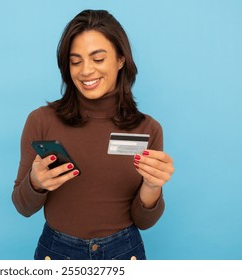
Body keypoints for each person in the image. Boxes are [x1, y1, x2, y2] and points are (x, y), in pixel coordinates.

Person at [12, 9, 174, 260]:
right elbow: (22, 207)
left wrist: (153, 186)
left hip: (124, 251)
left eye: (98, 59)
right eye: (75, 61)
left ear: (121, 59)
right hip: (57, 252)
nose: (86, 71)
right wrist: (36, 182)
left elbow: (144, 222)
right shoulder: (41, 120)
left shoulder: (148, 129)